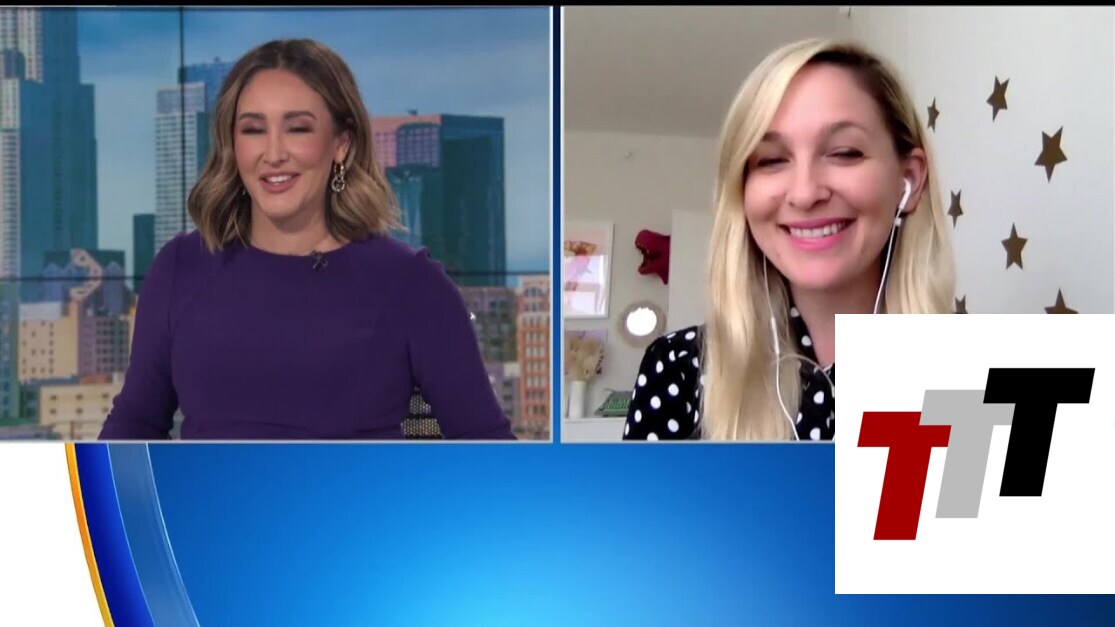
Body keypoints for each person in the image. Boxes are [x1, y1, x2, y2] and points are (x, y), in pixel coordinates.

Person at [99, 39, 514, 440]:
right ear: (232, 146)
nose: (274, 153)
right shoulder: (182, 268)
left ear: (341, 144)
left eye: (297, 129)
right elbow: (135, 423)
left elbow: (488, 448)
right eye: (253, 130)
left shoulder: (410, 284)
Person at [623, 39, 955, 442]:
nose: (804, 193)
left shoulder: (974, 379)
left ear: (909, 180)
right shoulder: (677, 370)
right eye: (771, 160)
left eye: (845, 152)